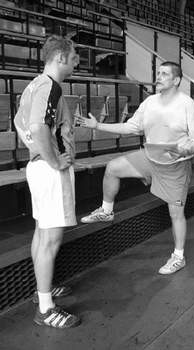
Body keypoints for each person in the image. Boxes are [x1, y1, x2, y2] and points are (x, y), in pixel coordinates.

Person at [77, 61, 194, 274]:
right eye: (158, 73)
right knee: (113, 168)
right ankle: (106, 211)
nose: (159, 77)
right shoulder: (150, 102)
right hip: (150, 158)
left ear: (176, 80)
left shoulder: (187, 104)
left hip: (175, 166)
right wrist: (97, 126)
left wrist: (188, 148)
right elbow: (130, 127)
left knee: (176, 214)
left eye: (164, 74)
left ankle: (178, 256)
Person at [14, 35, 81, 328]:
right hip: (50, 170)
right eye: (74, 55)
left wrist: (38, 152)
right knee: (50, 240)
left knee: (42, 233)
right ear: (61, 58)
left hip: (39, 167)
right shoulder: (50, 87)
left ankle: (42, 289)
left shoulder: (33, 85)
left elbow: (19, 123)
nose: (77, 60)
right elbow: (38, 126)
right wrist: (54, 160)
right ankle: (45, 308)